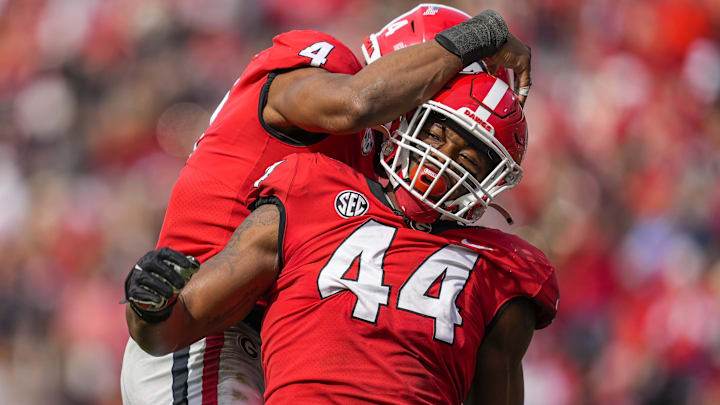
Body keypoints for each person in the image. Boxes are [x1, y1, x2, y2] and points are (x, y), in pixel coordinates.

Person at [121, 4, 534, 404]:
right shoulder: (325, 70)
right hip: (198, 318)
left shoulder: (379, 166)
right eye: (438, 86)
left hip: (272, 339)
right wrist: (476, 38)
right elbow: (357, 102)